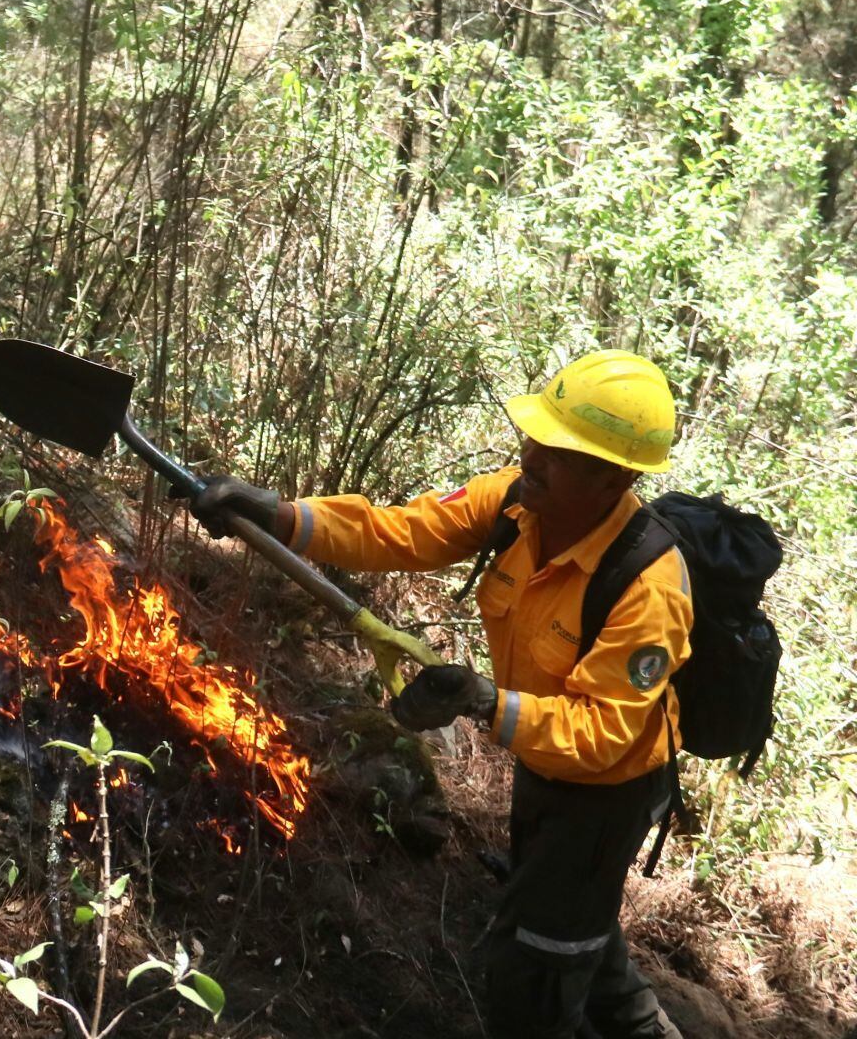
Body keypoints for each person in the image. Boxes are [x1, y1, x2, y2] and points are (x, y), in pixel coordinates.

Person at [192, 349, 687, 1039]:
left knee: (535, 969)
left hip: (606, 794)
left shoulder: (648, 588)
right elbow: (399, 531)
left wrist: (483, 701)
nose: (531, 455)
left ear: (615, 477)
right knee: (572, 921)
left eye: (558, 451)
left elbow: (600, 735)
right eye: (536, 436)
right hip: (540, 761)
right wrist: (280, 515)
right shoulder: (514, 504)